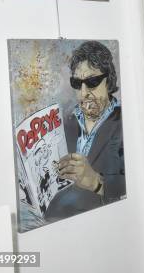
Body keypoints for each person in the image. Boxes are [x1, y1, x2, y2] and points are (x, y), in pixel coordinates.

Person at [45, 41, 125, 219]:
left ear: (109, 80)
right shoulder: (67, 120)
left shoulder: (125, 122)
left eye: (92, 82)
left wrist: (96, 182)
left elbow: (138, 182)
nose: (83, 93)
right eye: (76, 83)